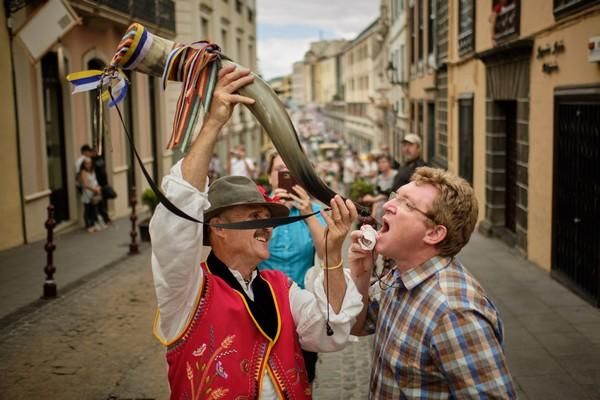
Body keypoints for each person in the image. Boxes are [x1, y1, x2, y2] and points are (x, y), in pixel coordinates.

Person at [149, 65, 363, 399]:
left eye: (268, 217)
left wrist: (333, 252)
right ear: (217, 226)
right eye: (254, 216)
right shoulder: (187, 291)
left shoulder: (283, 289)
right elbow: (177, 217)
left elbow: (330, 332)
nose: (267, 226)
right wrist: (215, 122)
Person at [349, 167, 516, 398]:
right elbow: (357, 325)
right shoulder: (400, 275)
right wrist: (361, 274)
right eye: (395, 196)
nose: (388, 205)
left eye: (407, 204)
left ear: (434, 234)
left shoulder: (455, 314)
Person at [259, 152, 327, 384]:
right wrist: (272, 212)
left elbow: (326, 252)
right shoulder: (258, 212)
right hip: (263, 308)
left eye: (292, 172)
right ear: (270, 177)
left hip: (303, 312)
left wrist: (307, 213)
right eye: (280, 170)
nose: (286, 176)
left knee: (304, 373)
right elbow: (252, 251)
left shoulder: (314, 211)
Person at [79, 157, 103, 232]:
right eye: (86, 163)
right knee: (87, 209)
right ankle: (88, 225)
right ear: (83, 164)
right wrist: (94, 189)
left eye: (89, 163)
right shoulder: (83, 172)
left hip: (94, 193)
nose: (88, 165)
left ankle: (93, 224)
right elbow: (85, 184)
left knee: (94, 209)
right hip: (87, 194)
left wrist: (98, 187)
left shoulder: (92, 171)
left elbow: (95, 181)